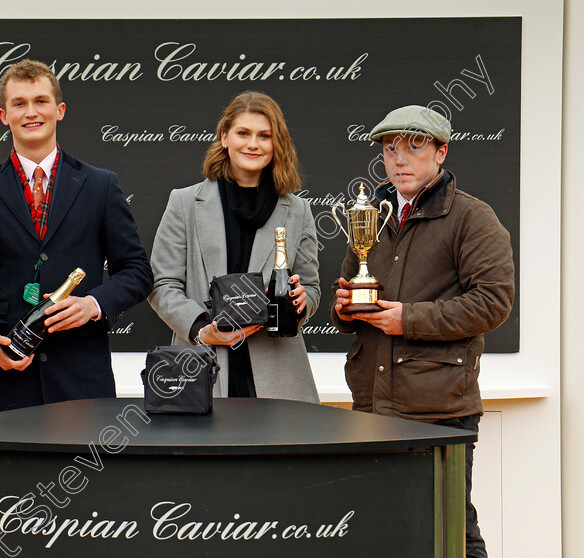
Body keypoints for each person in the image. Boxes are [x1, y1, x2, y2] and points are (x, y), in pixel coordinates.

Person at [330, 104, 515, 558]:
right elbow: (354, 295)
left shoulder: (473, 218)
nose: (400, 159)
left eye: (414, 146)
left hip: (438, 409)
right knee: (385, 531)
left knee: (452, 530)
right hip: (372, 405)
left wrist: (406, 318)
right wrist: (344, 309)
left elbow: (493, 303)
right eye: (391, 149)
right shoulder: (370, 216)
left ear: (441, 153)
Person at [0, 59, 152, 414]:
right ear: (4, 115)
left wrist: (92, 305)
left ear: (59, 110)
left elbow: (137, 272)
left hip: (82, 380)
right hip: (7, 383)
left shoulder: (100, 185)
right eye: (19, 103)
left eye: (40, 101)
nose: (31, 112)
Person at [148, 91, 320, 402]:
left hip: (279, 377)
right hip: (202, 367)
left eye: (264, 136)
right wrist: (201, 328)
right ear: (225, 137)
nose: (253, 144)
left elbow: (311, 286)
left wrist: (301, 300)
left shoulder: (299, 211)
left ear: (276, 143)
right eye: (243, 133)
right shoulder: (184, 203)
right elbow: (162, 284)